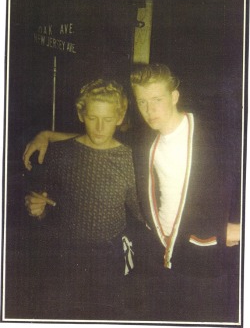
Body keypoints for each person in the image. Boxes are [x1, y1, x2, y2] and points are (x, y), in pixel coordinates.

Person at [23, 64, 241, 322]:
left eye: (157, 100)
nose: (150, 110)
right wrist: (46, 134)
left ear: (174, 96)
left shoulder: (215, 135)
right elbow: (99, 141)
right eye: (142, 102)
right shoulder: (144, 142)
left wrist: (239, 225)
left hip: (206, 257)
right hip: (159, 255)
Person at [22, 79, 144, 320]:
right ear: (81, 114)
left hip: (109, 255)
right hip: (65, 255)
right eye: (92, 118)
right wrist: (35, 209)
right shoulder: (60, 153)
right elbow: (43, 205)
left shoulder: (129, 158)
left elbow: (141, 212)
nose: (99, 127)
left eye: (108, 120)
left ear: (119, 118)